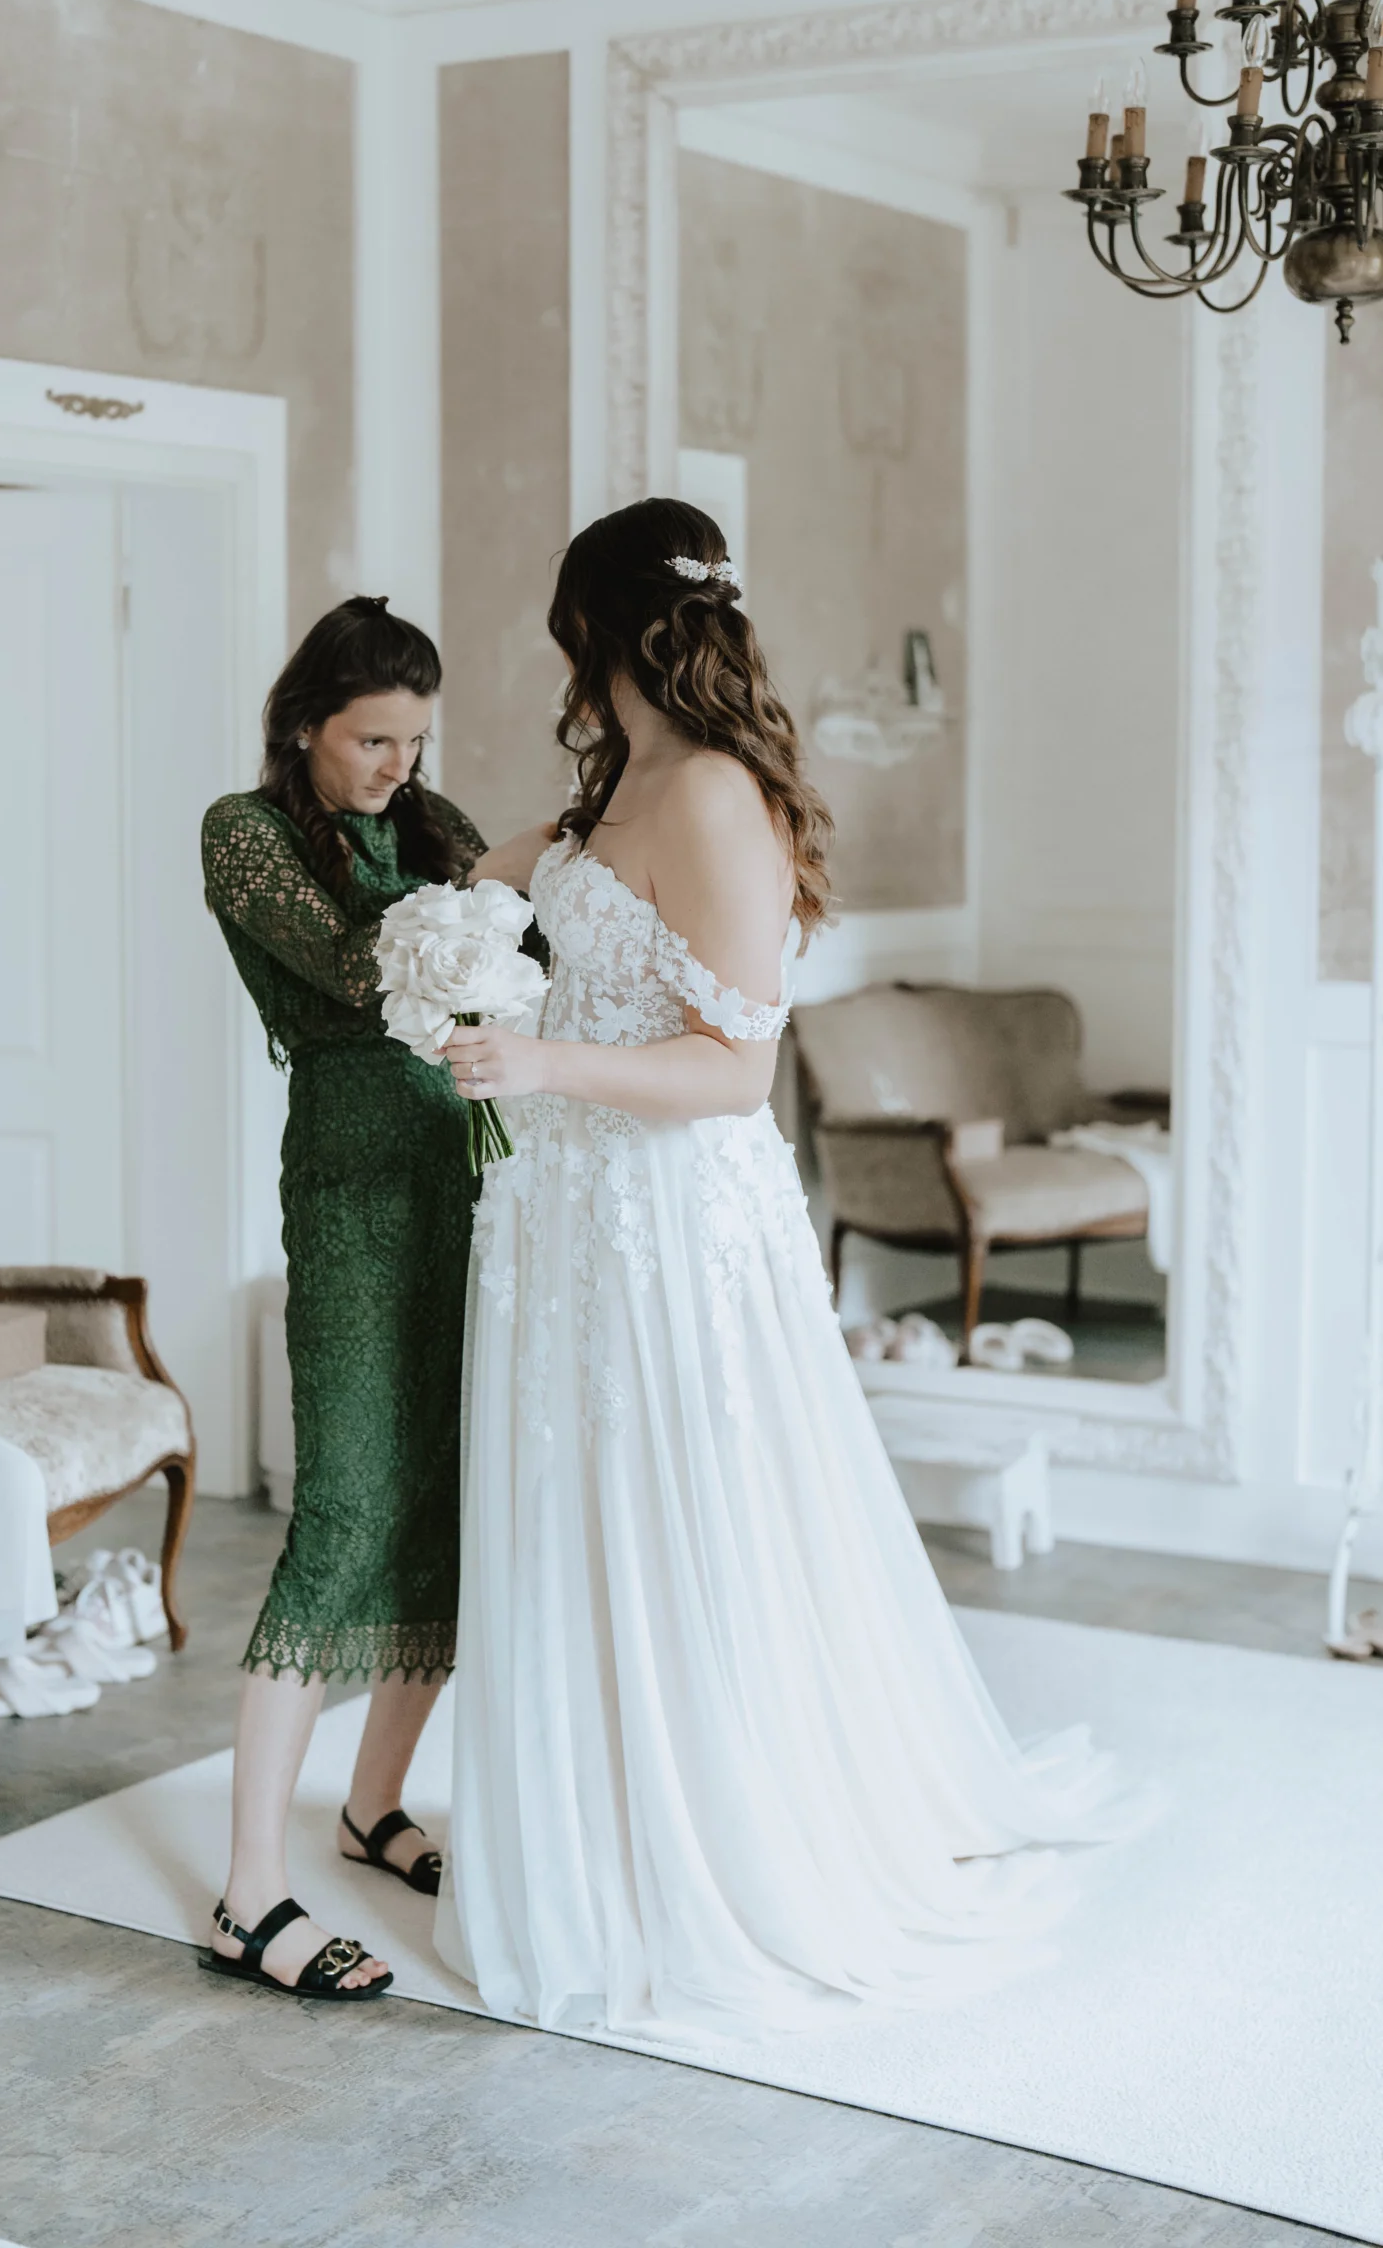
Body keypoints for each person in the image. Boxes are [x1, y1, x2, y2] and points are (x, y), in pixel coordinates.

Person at [435, 501, 1121, 2036]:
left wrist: (541, 1057)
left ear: (597, 627)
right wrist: (446, 922)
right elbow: (515, 883)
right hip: (559, 1213)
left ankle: (703, 1846)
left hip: (664, 1222)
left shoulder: (716, 797)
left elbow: (736, 1076)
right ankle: (584, 1830)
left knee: (678, 1510)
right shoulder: (609, 788)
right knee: (570, 1508)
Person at [200, 596, 484, 2002]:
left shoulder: (429, 825)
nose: (395, 767)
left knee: (447, 1500)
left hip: (470, 1180)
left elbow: (520, 964)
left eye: (414, 742)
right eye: (373, 738)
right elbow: (362, 967)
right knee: (349, 1509)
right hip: (354, 1192)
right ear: (306, 721)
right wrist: (485, 930)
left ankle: (372, 1809)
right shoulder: (241, 834)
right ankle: (249, 1893)